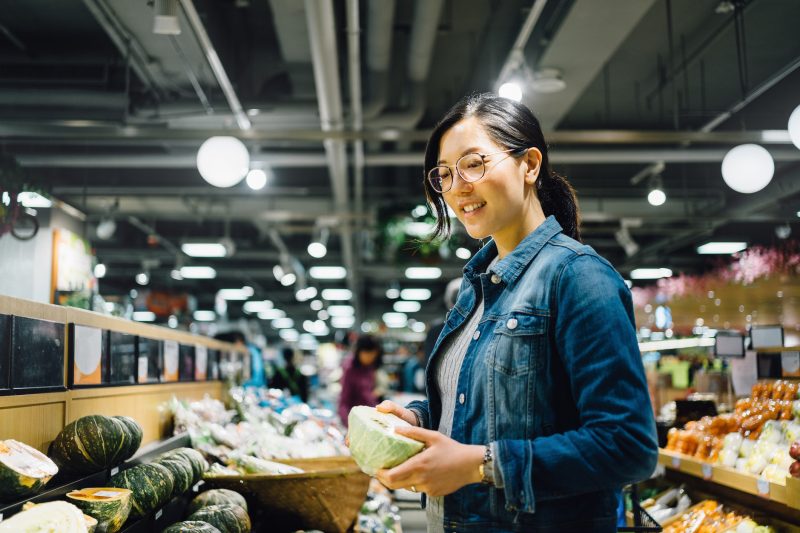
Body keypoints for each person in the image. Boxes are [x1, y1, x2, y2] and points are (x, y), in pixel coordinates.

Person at [370, 93, 658, 532]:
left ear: (530, 165)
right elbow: (486, 405)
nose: (457, 187)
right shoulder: (477, 287)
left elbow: (628, 444)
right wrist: (418, 420)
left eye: (474, 163)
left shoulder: (578, 277)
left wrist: (479, 466)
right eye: (444, 174)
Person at [337, 334, 384, 427]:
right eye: (368, 354)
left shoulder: (369, 367)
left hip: (369, 417)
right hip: (355, 420)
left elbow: (368, 391)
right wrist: (349, 425)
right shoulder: (349, 369)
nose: (371, 358)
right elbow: (343, 402)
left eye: (373, 355)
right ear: (359, 351)